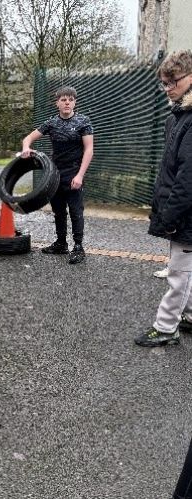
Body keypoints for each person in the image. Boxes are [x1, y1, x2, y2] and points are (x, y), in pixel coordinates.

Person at [135, 50, 192, 347]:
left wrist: (169, 215)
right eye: (164, 83)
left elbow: (188, 178)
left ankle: (166, 327)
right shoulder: (178, 116)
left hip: (186, 214)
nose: (167, 88)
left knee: (179, 273)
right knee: (186, 268)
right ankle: (189, 315)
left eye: (173, 81)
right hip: (181, 211)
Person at [20, 86, 94, 264]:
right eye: (63, 100)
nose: (67, 103)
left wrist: (80, 175)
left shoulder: (83, 121)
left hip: (74, 173)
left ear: (74, 102)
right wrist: (26, 148)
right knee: (58, 211)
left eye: (70, 100)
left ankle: (78, 247)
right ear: (57, 103)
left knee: (76, 211)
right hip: (55, 174)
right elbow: (28, 138)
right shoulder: (51, 123)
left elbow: (89, 149)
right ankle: (61, 244)